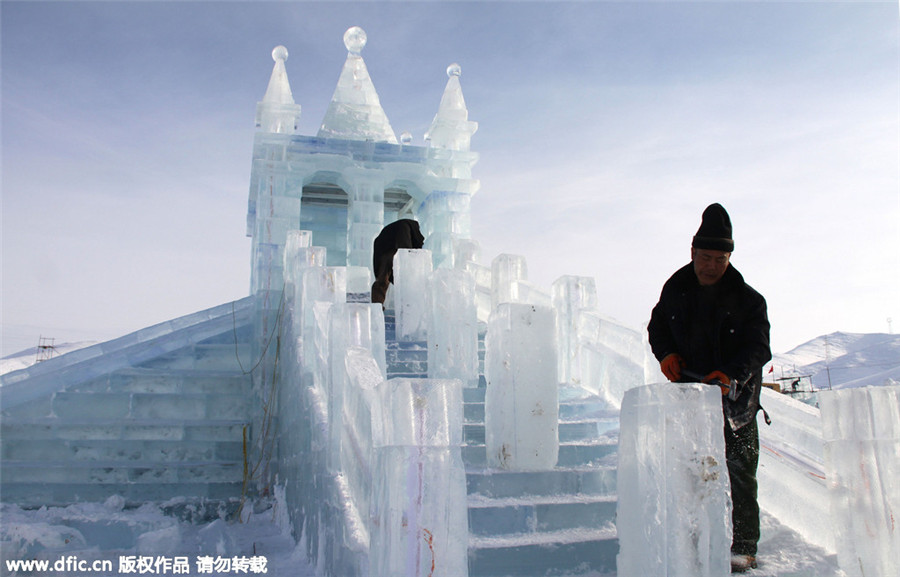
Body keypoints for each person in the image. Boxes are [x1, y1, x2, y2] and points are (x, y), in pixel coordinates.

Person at [647, 203, 771, 573]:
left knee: (739, 471)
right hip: (689, 395)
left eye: (720, 258)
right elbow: (657, 327)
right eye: (705, 256)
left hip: (735, 400)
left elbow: (758, 348)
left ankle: (744, 545)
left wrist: (730, 375)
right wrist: (666, 353)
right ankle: (695, 535)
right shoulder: (676, 288)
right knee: (691, 468)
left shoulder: (749, 300)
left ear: (729, 257)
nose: (711, 265)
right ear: (692, 253)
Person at [371, 218, 425, 307]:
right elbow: (405, 250)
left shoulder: (403, 226)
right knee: (403, 279)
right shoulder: (405, 226)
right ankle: (409, 305)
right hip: (389, 249)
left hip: (383, 249)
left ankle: (377, 307)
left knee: (382, 280)